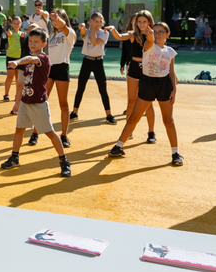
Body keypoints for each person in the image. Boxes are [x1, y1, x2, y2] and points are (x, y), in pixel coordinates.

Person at [0, 28, 72, 177]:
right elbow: (26, 81)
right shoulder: (29, 59)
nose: (32, 44)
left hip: (38, 103)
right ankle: (15, 157)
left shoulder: (43, 58)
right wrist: (18, 100)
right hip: (26, 102)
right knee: (19, 130)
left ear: (44, 44)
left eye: (36, 42)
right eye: (30, 41)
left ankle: (64, 161)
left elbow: (31, 59)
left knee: (50, 133)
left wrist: (17, 61)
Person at [109, 22, 181, 166]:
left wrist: (174, 89)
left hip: (164, 85)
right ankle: (119, 146)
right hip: (147, 84)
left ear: (168, 34)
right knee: (133, 118)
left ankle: (175, 153)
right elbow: (149, 41)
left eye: (161, 32)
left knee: (168, 120)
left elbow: (171, 72)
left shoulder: (170, 52)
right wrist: (149, 36)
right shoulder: (148, 46)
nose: (158, 34)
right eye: (155, 32)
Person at [27, 9, 75, 148]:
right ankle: (35, 133)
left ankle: (64, 136)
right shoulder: (50, 36)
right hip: (48, 69)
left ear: (64, 20)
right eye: (53, 20)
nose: (55, 22)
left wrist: (59, 21)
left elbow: (65, 28)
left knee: (63, 104)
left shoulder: (69, 34)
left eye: (58, 19)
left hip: (62, 68)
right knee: (41, 101)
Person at [107, 11, 157, 144]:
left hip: (147, 70)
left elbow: (153, 45)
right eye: (139, 22)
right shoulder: (132, 34)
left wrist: (150, 35)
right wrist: (113, 30)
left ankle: (151, 132)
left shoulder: (152, 34)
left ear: (149, 22)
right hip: (133, 68)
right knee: (131, 101)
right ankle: (129, 131)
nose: (141, 24)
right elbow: (119, 37)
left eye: (144, 22)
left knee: (148, 103)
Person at [70, 12, 115, 125]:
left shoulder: (104, 33)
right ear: (91, 21)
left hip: (98, 62)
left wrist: (92, 27)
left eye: (100, 21)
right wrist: (83, 27)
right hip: (87, 61)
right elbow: (84, 32)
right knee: (80, 87)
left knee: (102, 89)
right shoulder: (88, 31)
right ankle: (74, 113)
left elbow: (94, 41)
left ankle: (109, 115)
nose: (98, 23)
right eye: (96, 21)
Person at [3, 16, 25, 106]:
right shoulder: (11, 32)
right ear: (12, 24)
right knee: (10, 76)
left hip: (20, 58)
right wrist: (8, 33)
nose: (16, 25)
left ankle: (17, 95)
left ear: (21, 24)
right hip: (11, 57)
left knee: (18, 78)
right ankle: (6, 94)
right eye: (14, 23)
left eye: (18, 23)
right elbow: (9, 35)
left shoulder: (22, 34)